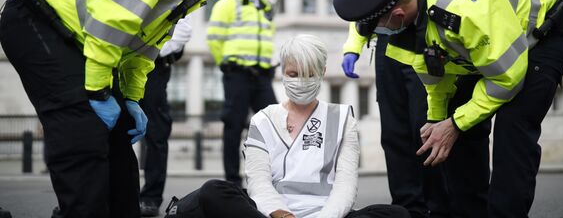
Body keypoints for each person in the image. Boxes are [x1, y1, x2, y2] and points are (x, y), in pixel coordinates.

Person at [333, 0, 563, 217]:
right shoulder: (411, 18)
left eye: (376, 31)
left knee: (513, 130)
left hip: (542, 34)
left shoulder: (467, 11)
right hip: (487, 46)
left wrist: (455, 124)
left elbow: (507, 79)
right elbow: (436, 77)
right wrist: (438, 120)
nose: (377, 38)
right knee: (455, 124)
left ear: (397, 16)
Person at [0, 0, 242, 217]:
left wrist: (131, 97)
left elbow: (142, 47)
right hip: (36, 16)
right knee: (83, 132)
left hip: (76, 36)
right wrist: (98, 90)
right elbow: (111, 18)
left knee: (119, 147)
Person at [165, 34, 410, 218]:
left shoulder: (343, 117)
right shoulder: (263, 119)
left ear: (323, 72)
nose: (300, 81)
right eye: (293, 74)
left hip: (327, 214)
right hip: (272, 215)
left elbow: (346, 185)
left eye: (308, 73)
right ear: (282, 72)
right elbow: (259, 184)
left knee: (397, 214)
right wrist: (282, 214)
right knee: (213, 191)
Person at [340, 0, 469, 217]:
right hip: (387, 32)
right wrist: (353, 45)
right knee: (394, 130)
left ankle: (438, 207)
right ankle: (407, 207)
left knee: (424, 126)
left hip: (424, 29)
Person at [206, 0, 278, 187]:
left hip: (263, 76)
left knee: (274, 125)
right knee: (233, 126)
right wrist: (226, 65)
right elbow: (214, 39)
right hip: (237, 74)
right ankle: (232, 182)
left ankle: (272, 178)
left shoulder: (265, 7)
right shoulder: (228, 4)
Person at [139, 16, 192, 216]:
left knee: (156, 135)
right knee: (117, 133)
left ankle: (150, 199)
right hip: (124, 60)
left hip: (155, 66)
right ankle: (119, 194)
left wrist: (159, 49)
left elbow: (182, 30)